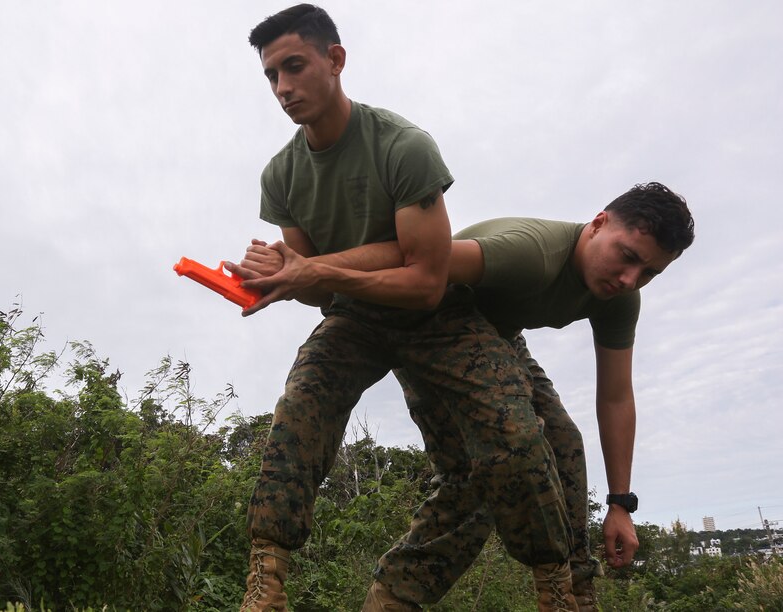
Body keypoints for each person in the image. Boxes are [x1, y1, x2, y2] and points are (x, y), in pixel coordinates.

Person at [236, 5, 577, 610]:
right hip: (355, 318)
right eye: (270, 76)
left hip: (439, 317)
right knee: (298, 410)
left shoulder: (403, 146)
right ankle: (266, 581)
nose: (283, 88)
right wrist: (281, 278)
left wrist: (312, 270)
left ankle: (556, 584)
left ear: (335, 61)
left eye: (294, 67)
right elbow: (318, 289)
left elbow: (425, 279)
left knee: (515, 434)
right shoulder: (281, 175)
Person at [238, 182, 695, 610]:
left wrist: (620, 503)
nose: (630, 279)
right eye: (627, 256)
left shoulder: (620, 297)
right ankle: (391, 597)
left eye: (649, 272)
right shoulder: (529, 254)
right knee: (477, 477)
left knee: (562, 442)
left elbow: (616, 397)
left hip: (501, 338)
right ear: (598, 224)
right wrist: (304, 271)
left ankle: (575, 594)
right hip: (436, 318)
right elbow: (418, 261)